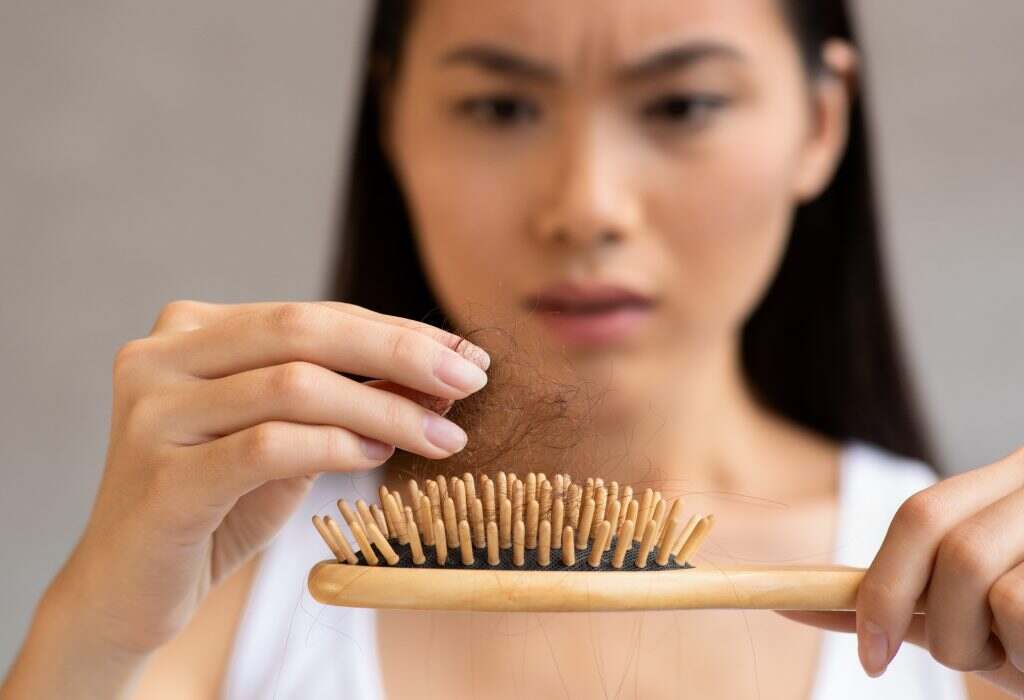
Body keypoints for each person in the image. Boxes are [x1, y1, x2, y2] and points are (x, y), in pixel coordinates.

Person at [3, 1, 1022, 698]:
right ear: (392, 118)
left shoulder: (967, 617)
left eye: (682, 105)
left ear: (819, 120)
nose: (584, 206)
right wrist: (88, 634)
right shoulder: (220, 585)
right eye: (499, 106)